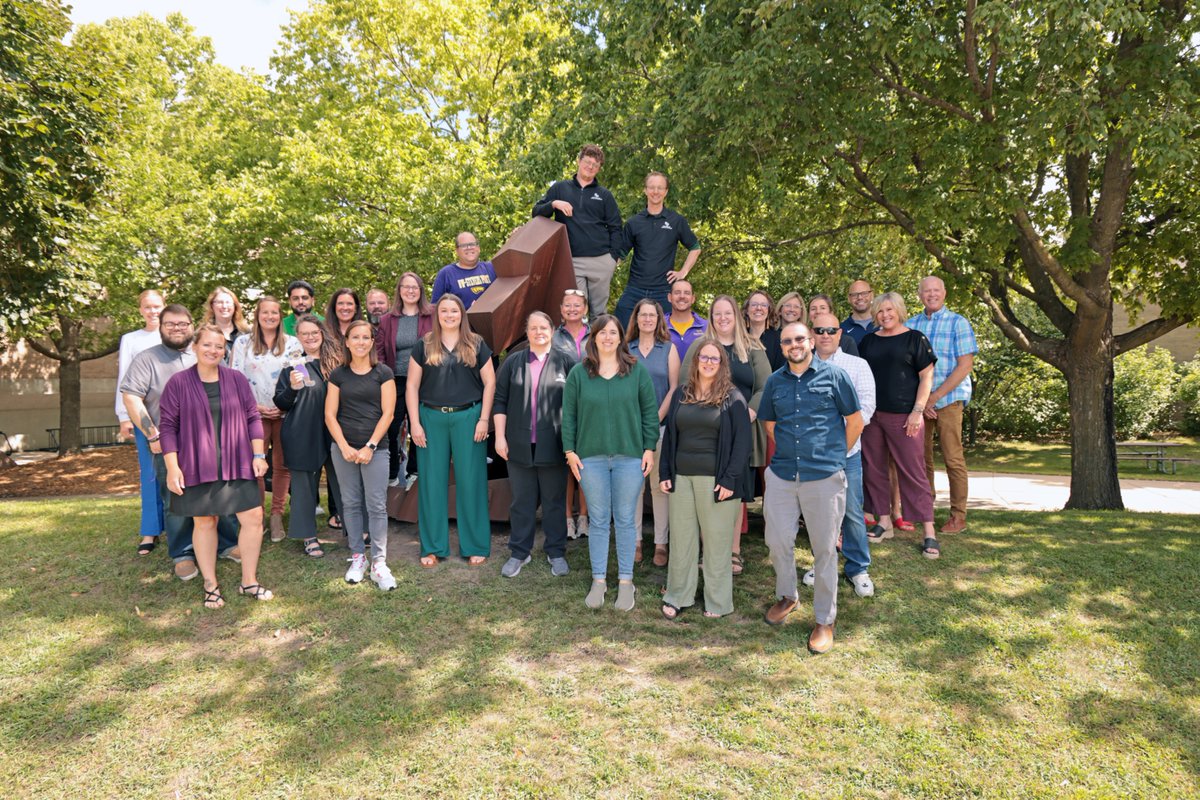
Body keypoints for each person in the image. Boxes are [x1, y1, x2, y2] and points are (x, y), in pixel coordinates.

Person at [759, 322, 864, 655]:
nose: (795, 345)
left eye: (800, 338)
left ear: (811, 341)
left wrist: (833, 457)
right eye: (788, 341)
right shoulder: (775, 381)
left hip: (824, 477)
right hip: (783, 475)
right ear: (783, 345)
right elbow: (770, 425)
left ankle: (824, 619)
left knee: (823, 550)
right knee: (776, 542)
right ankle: (788, 596)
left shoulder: (835, 376)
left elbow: (856, 422)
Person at [159, 324, 273, 609]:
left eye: (219, 346)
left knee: (254, 518)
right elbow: (168, 428)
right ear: (195, 346)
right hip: (197, 462)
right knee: (205, 521)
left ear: (225, 350)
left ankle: (249, 581)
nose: (213, 350)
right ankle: (211, 584)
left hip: (238, 459)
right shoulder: (178, 383)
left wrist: (259, 455)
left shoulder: (236, 379)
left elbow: (252, 418)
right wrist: (173, 468)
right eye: (207, 344)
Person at [121, 305, 239, 580]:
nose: (177, 329)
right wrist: (153, 434)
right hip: (169, 443)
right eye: (170, 324)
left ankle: (227, 543)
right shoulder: (147, 359)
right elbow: (132, 397)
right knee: (176, 498)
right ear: (160, 326)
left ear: (191, 326)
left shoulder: (203, 354)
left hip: (211, 442)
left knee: (220, 494)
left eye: (183, 324)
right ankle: (183, 553)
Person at [562, 314, 659, 611]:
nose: (607, 337)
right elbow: (569, 416)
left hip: (630, 457)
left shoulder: (635, 371)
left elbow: (649, 413)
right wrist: (570, 452)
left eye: (613, 333)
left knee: (627, 520)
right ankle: (599, 581)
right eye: (602, 333)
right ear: (594, 337)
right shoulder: (580, 373)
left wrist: (649, 448)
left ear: (620, 338)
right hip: (590, 458)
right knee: (600, 520)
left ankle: (627, 583)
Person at [659, 342, 752, 619]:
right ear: (696, 360)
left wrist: (730, 479)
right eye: (704, 357)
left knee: (716, 543)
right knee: (682, 541)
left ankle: (718, 602)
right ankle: (678, 595)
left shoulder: (733, 397)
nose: (709, 362)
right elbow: (671, 437)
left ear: (722, 364)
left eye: (715, 358)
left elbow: (742, 443)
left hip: (716, 480)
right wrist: (665, 472)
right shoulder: (681, 394)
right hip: (682, 479)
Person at [681, 295, 771, 576]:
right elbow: (686, 384)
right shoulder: (700, 346)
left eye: (727, 313)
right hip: (706, 432)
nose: (722, 318)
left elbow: (766, 386)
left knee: (733, 491)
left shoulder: (753, 348)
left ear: (736, 316)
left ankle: (733, 551)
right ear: (711, 317)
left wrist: (751, 412)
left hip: (742, 429)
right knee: (706, 491)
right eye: (717, 313)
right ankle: (708, 550)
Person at [407, 294, 496, 567]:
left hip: (468, 417)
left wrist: (483, 419)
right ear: (437, 314)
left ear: (461, 314)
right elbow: (411, 386)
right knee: (432, 483)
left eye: (454, 311)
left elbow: (490, 383)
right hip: (431, 418)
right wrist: (415, 423)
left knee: (472, 481)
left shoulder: (476, 343)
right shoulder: (424, 344)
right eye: (444, 310)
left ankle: (475, 544)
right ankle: (433, 546)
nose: (449, 315)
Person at [857, 292, 941, 559]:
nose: (885, 315)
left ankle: (929, 531)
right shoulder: (868, 341)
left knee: (913, 471)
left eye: (890, 310)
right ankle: (884, 521)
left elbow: (927, 377)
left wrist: (917, 411)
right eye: (880, 311)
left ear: (900, 311)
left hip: (905, 416)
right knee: (874, 469)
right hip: (872, 417)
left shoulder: (915, 339)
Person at [493, 311, 575, 578]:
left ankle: (556, 551)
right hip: (518, 444)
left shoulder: (567, 362)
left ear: (552, 330)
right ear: (526, 332)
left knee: (554, 501)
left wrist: (573, 444)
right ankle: (519, 552)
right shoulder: (514, 362)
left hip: (554, 444)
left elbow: (576, 406)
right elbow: (500, 400)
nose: (539, 332)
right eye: (533, 328)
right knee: (522, 501)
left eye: (543, 327)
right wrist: (500, 436)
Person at [802, 313, 877, 597]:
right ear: (813, 334)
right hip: (814, 454)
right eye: (819, 330)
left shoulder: (857, 365)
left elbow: (867, 407)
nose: (825, 335)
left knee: (853, 512)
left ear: (839, 333)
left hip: (848, 451)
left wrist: (840, 439)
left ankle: (858, 568)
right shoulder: (803, 366)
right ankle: (822, 563)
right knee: (820, 513)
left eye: (831, 330)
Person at [326, 319, 397, 589]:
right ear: (347, 342)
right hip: (343, 448)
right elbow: (330, 415)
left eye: (365, 337)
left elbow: (388, 413)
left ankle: (379, 562)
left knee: (376, 505)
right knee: (351, 504)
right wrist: (344, 446)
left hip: (375, 450)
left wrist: (370, 446)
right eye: (355, 337)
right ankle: (358, 557)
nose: (360, 342)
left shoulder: (384, 373)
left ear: (371, 342)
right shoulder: (338, 375)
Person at [229, 296, 303, 542]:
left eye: (274, 312)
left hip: (285, 414)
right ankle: (258, 515)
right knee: (257, 467)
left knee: (282, 466)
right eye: (265, 312)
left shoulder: (292, 343)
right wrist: (257, 407)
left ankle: (277, 515)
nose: (270, 316)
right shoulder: (243, 343)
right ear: (257, 316)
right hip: (254, 414)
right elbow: (234, 380)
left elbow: (301, 376)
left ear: (280, 316)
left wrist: (285, 404)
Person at [907, 275, 977, 534]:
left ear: (944, 293)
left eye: (936, 290)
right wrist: (921, 401)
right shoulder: (910, 325)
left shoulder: (958, 323)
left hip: (948, 401)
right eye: (926, 291)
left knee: (953, 459)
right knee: (921, 460)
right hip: (919, 404)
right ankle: (924, 511)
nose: (931, 294)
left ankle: (958, 516)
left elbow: (965, 366)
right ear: (919, 294)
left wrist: (933, 397)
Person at [274, 315, 342, 558]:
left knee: (344, 480)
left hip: (335, 431)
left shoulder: (337, 363)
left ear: (322, 333)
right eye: (305, 334)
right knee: (303, 486)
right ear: (298, 337)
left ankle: (355, 527)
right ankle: (308, 535)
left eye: (314, 332)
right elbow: (280, 403)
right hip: (302, 431)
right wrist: (292, 388)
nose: (311, 337)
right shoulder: (293, 365)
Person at [532, 144, 622, 317]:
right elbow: (536, 212)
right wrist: (554, 204)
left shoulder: (604, 195)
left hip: (601, 260)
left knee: (599, 314)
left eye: (595, 165)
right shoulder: (560, 188)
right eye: (587, 162)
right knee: (576, 312)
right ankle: (578, 345)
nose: (590, 167)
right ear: (579, 161)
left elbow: (616, 227)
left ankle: (599, 345)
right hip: (572, 261)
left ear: (599, 169)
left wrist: (614, 257)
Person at [624, 298, 680, 566]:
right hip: (630, 430)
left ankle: (660, 543)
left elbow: (674, 387)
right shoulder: (626, 349)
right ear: (635, 319)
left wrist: (656, 416)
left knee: (659, 487)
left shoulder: (668, 349)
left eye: (652, 315)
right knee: (635, 488)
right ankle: (634, 541)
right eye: (642, 315)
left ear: (659, 320)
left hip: (660, 427)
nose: (647, 319)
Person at [612, 171, 702, 329]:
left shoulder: (676, 221)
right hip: (635, 289)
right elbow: (620, 256)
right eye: (652, 187)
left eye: (660, 188)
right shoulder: (634, 222)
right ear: (645, 190)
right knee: (619, 329)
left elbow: (695, 247)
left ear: (666, 191)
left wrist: (683, 273)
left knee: (666, 336)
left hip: (663, 290)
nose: (655, 191)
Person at [116, 289, 166, 556]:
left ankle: (178, 522)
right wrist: (123, 416)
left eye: (157, 306)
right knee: (149, 473)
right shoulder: (131, 340)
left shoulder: (174, 335)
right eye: (147, 307)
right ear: (140, 310)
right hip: (143, 416)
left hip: (173, 414)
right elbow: (124, 379)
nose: (153, 311)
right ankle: (151, 529)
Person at [375, 272, 434, 487]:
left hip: (425, 381)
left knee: (421, 426)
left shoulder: (432, 315)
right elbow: (380, 353)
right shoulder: (387, 320)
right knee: (391, 427)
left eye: (415, 287)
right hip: (395, 381)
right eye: (406, 287)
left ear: (421, 291)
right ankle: (391, 474)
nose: (410, 291)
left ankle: (414, 472)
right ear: (399, 291)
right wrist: (383, 379)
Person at [552, 288, 590, 538]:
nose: (573, 309)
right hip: (560, 405)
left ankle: (585, 518)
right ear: (561, 310)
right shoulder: (554, 337)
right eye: (568, 305)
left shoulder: (596, 333)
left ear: (585, 309)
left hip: (590, 406)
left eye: (577, 305)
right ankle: (567, 518)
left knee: (586, 463)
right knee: (566, 465)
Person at [431, 232, 496, 310]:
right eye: (464, 245)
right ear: (457, 251)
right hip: (462, 321)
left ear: (478, 248)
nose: (469, 247)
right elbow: (435, 308)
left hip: (493, 320)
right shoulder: (446, 274)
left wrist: (514, 237)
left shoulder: (492, 268)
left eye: (472, 244)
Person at [200, 286, 249, 361]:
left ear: (234, 306)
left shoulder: (246, 333)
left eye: (228, 302)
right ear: (212, 306)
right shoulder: (202, 334)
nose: (224, 306)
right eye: (219, 302)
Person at [666, 279, 708, 360]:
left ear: (693, 298)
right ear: (669, 297)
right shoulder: (659, 326)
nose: (682, 296)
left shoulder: (707, 327)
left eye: (687, 293)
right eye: (677, 292)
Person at [744, 289, 783, 371]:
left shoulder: (779, 339)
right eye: (754, 304)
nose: (758, 308)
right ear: (747, 310)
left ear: (768, 311)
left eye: (764, 305)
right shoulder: (738, 337)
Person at [840, 280, 878, 344]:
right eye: (854, 295)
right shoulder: (841, 330)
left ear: (872, 295)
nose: (860, 297)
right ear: (849, 298)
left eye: (864, 293)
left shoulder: (884, 323)